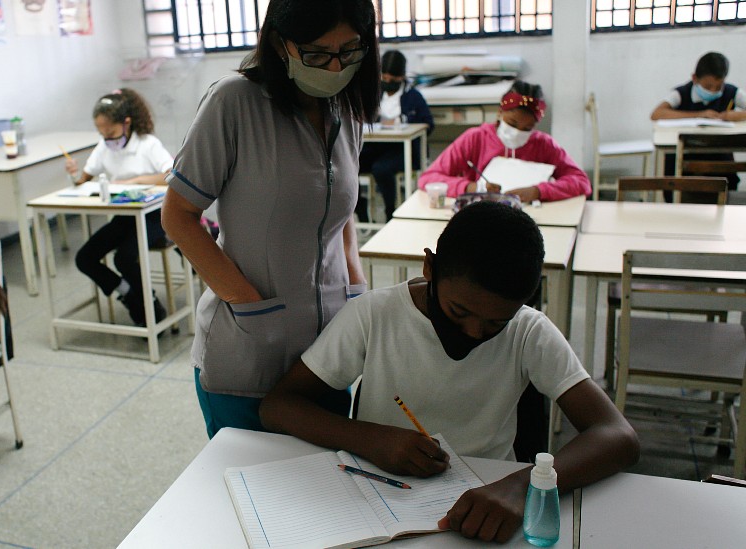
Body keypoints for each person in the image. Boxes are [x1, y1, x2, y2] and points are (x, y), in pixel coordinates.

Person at [260, 201, 639, 544]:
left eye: (496, 323)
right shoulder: (375, 315)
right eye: (459, 312)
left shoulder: (528, 331)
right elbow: (278, 406)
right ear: (430, 267)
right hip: (381, 500)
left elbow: (618, 436)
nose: (475, 332)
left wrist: (520, 487)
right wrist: (370, 438)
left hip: (491, 502)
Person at [161, 0, 380, 438]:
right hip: (249, 354)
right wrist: (248, 306)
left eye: (350, 50)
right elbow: (178, 216)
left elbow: (339, 210)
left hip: (328, 353)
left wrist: (355, 289)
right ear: (281, 45)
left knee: (325, 492)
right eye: (318, 54)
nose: (336, 67)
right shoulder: (234, 102)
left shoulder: (345, 109)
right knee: (256, 495)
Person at [64, 88, 173, 326]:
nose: (108, 138)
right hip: (125, 217)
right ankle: (128, 293)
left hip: (155, 216)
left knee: (124, 258)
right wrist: (74, 174)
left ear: (126, 123)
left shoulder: (147, 143)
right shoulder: (104, 147)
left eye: (111, 131)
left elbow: (171, 175)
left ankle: (150, 305)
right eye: (102, 133)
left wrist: (134, 181)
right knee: (85, 258)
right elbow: (84, 180)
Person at [418, 80, 591, 203]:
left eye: (527, 128)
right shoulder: (475, 138)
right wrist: (471, 187)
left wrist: (538, 191)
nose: (517, 133)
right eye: (512, 123)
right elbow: (428, 179)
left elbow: (581, 182)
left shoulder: (544, 144)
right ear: (500, 112)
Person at [650, 51, 745, 195]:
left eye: (718, 86)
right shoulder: (681, 93)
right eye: (708, 86)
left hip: (719, 160)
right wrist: (699, 115)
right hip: (685, 158)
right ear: (695, 78)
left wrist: (736, 115)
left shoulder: (732, 92)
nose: (713, 91)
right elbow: (656, 114)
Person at [356, 49, 434, 223]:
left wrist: (402, 120)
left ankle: (391, 214)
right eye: (385, 77)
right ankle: (359, 207)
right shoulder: (374, 95)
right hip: (377, 146)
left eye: (393, 79)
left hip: (403, 150)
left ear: (402, 76)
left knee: (381, 169)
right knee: (350, 163)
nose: (388, 82)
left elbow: (429, 124)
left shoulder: (413, 97)